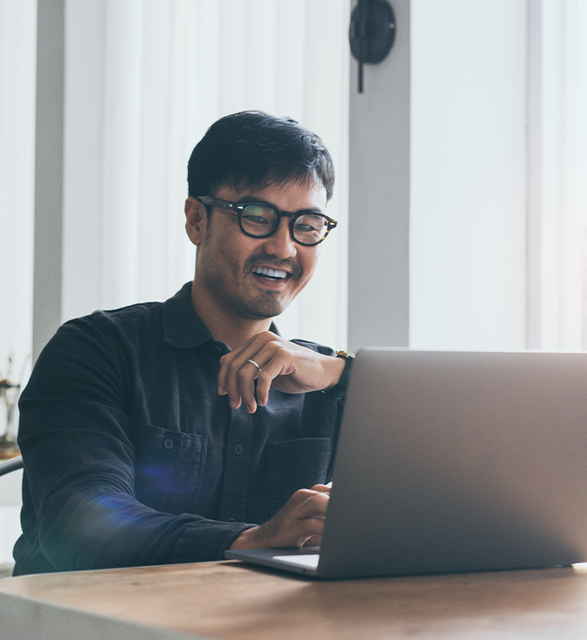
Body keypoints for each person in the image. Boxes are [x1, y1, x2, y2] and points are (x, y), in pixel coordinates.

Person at [13, 111, 353, 575]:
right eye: (257, 217)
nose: (284, 247)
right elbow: (80, 521)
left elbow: (446, 488)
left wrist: (341, 372)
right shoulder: (95, 350)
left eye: (307, 225)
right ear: (197, 220)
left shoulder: (322, 381)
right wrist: (254, 540)